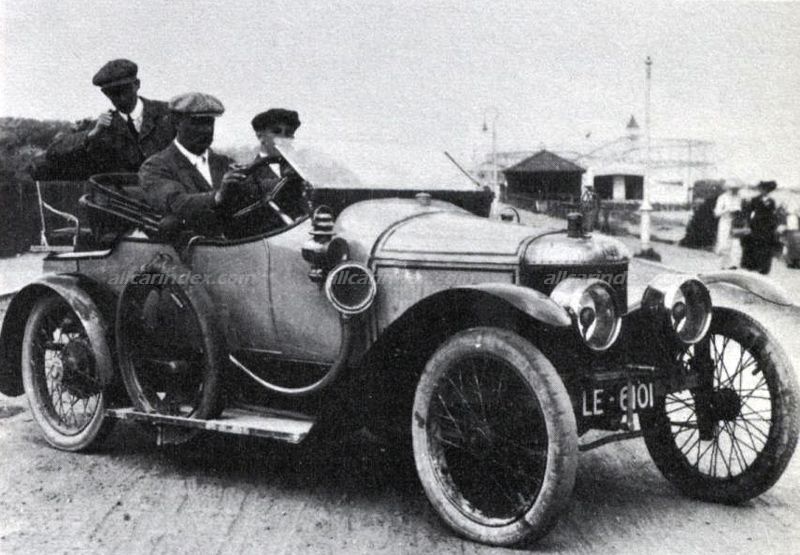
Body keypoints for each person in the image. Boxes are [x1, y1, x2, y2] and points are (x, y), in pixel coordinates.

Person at [43, 59, 175, 179]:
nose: (121, 98)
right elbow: (53, 153)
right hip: (122, 196)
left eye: (125, 90)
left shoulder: (170, 115)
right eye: (112, 93)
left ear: (136, 84)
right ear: (105, 93)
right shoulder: (101, 127)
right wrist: (90, 135)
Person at [139, 92, 252, 232]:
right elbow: (176, 203)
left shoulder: (224, 163)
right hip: (190, 243)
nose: (207, 130)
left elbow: (255, 189)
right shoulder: (155, 167)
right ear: (176, 123)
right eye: (197, 123)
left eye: (210, 122)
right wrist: (218, 196)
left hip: (237, 241)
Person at [741, 180, 780, 274]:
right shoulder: (755, 199)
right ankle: (751, 266)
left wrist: (775, 225)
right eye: (762, 189)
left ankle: (763, 267)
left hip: (768, 226)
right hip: (756, 224)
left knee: (765, 246)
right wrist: (747, 224)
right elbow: (748, 212)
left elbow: (774, 214)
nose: (763, 191)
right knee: (754, 244)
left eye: (766, 190)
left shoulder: (772, 201)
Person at [713, 180, 743, 269]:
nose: (734, 191)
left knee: (736, 245)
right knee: (723, 244)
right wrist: (727, 210)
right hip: (725, 223)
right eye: (732, 188)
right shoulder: (722, 198)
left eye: (736, 189)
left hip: (736, 223)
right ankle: (722, 266)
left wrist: (739, 212)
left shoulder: (739, 198)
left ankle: (733, 266)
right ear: (728, 188)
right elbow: (717, 213)